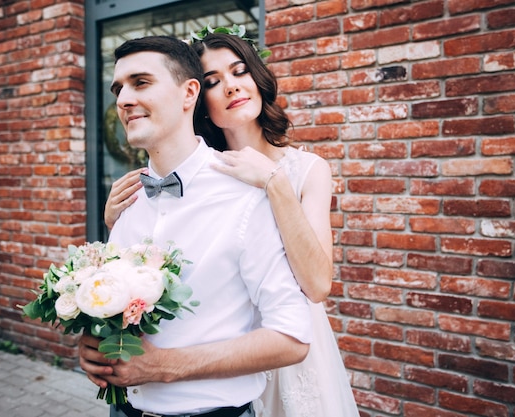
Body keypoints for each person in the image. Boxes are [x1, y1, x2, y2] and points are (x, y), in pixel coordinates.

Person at [104, 32, 359, 417]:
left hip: (282, 344)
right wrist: (116, 225)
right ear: (196, 96)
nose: (231, 86)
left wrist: (276, 185)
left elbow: (318, 285)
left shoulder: (304, 169)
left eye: (240, 71)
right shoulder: (195, 171)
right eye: (213, 81)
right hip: (214, 356)